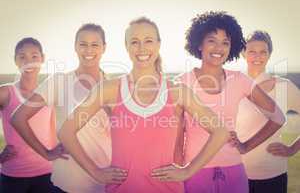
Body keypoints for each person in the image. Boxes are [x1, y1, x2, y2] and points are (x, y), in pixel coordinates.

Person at [58, 17, 229, 193]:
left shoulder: (177, 92)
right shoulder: (109, 89)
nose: (141, 48)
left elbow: (220, 132)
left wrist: (188, 170)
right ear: (126, 46)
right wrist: (96, 172)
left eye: (148, 41)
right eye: (134, 42)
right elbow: (65, 132)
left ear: (158, 44)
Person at [173, 11, 286, 193]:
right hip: (194, 173)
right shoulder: (181, 82)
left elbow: (278, 118)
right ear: (199, 43)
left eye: (225, 42)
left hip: (235, 174)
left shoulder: (240, 80)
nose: (219, 48)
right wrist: (178, 175)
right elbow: (177, 139)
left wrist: (245, 146)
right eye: (212, 40)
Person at [11, 24, 113, 193]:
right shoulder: (59, 81)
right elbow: (18, 118)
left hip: (106, 181)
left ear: (104, 47)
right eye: (83, 44)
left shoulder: (113, 86)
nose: (88, 50)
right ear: (75, 46)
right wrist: (46, 153)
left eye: (95, 44)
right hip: (68, 183)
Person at [235, 30, 300, 193]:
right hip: (237, 173)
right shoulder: (234, 85)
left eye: (263, 52)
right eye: (252, 51)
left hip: (273, 174)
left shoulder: (284, 87)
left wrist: (292, 148)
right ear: (243, 53)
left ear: (270, 54)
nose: (257, 57)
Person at [0, 37, 60, 192]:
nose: (29, 62)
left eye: (34, 56)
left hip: (47, 175)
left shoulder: (49, 93)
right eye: (22, 57)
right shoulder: (6, 92)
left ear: (42, 59)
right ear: (15, 61)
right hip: (13, 178)